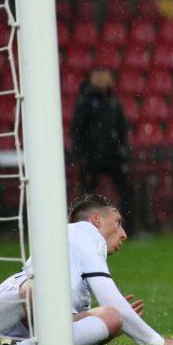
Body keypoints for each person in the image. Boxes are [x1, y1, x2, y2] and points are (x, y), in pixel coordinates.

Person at [0, 194, 173, 345]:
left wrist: (118, 323)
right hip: (25, 294)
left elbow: (77, 338)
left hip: (31, 316)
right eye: (117, 222)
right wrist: (162, 343)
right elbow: (107, 294)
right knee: (39, 291)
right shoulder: (85, 231)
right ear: (96, 220)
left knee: (113, 319)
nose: (124, 234)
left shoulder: (77, 260)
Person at [70, 66, 136, 234]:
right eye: (97, 76)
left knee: (127, 190)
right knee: (86, 195)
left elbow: (121, 127)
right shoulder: (84, 101)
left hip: (113, 155)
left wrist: (122, 149)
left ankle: (129, 229)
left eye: (103, 76)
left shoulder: (113, 100)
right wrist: (82, 155)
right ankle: (81, 230)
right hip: (92, 157)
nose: (101, 79)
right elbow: (77, 130)